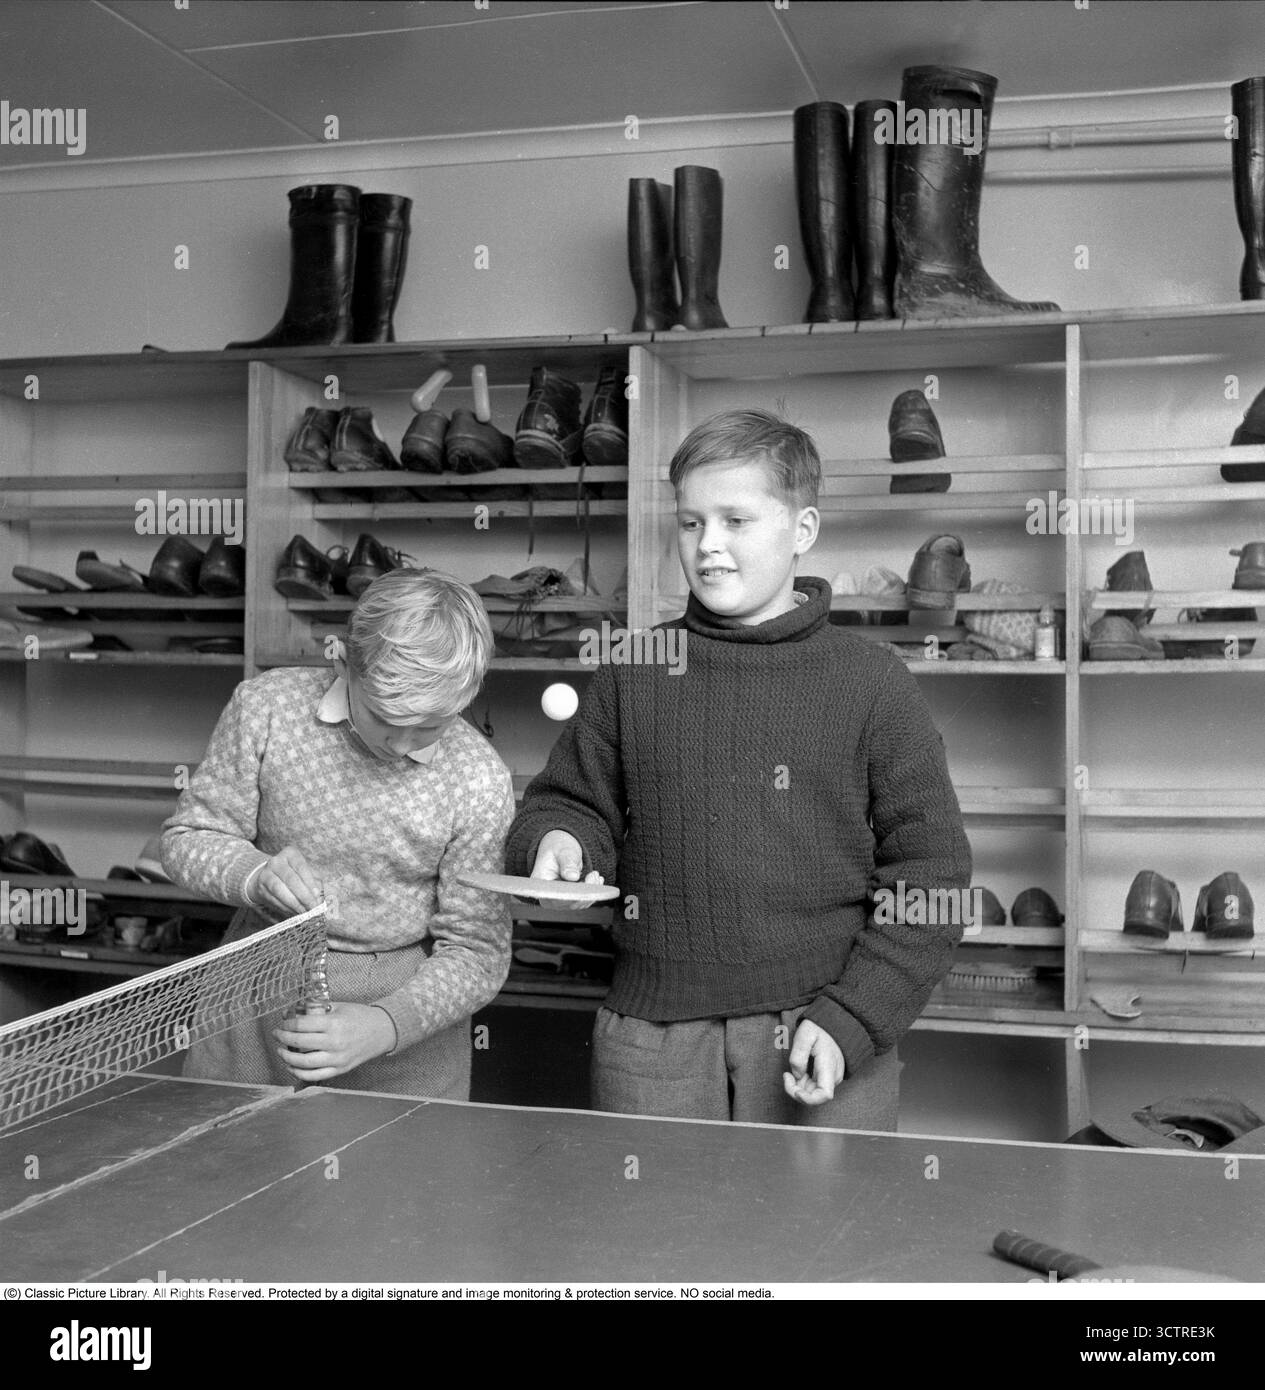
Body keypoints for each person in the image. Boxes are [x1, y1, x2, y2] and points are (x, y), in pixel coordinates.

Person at [506, 409, 972, 1127]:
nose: (707, 546)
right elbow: (565, 804)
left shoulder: (872, 682)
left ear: (803, 531)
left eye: (735, 520)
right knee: (649, 1240)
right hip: (650, 1037)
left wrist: (855, 1014)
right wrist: (558, 842)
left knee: (822, 1239)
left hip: (820, 1030)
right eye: (689, 523)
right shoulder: (635, 669)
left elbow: (932, 876)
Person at [162, 567, 515, 1098]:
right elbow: (186, 838)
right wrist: (253, 874)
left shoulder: (479, 779)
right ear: (344, 662)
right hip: (252, 1006)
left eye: (431, 726)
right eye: (384, 717)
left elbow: (478, 951)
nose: (401, 746)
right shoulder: (266, 708)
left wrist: (385, 1026)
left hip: (406, 1035)